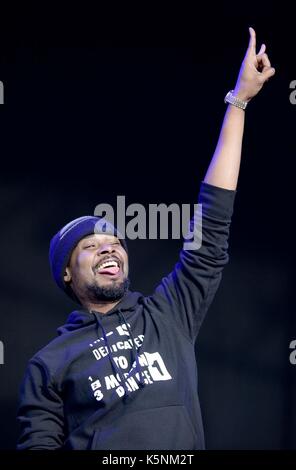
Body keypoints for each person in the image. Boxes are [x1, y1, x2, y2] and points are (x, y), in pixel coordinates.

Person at [16, 27, 275, 450]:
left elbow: (211, 223)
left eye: (114, 241)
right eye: (91, 245)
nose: (109, 247)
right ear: (67, 272)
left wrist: (239, 102)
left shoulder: (168, 315)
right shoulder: (48, 365)